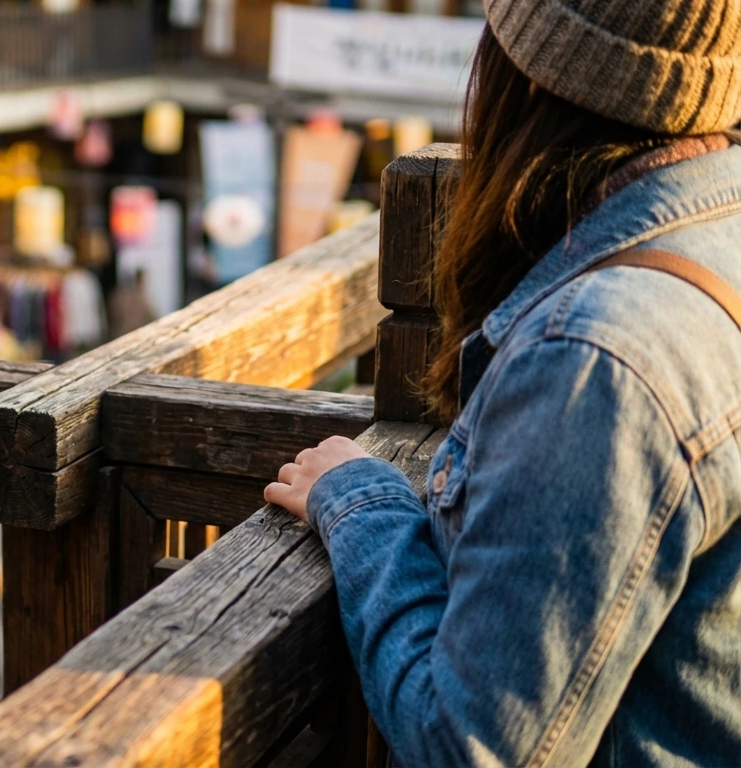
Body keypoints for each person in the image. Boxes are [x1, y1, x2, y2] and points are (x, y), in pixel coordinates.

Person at [265, 4, 741, 766]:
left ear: (526, 73)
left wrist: (363, 504)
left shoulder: (596, 359)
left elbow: (476, 749)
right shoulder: (713, 239)